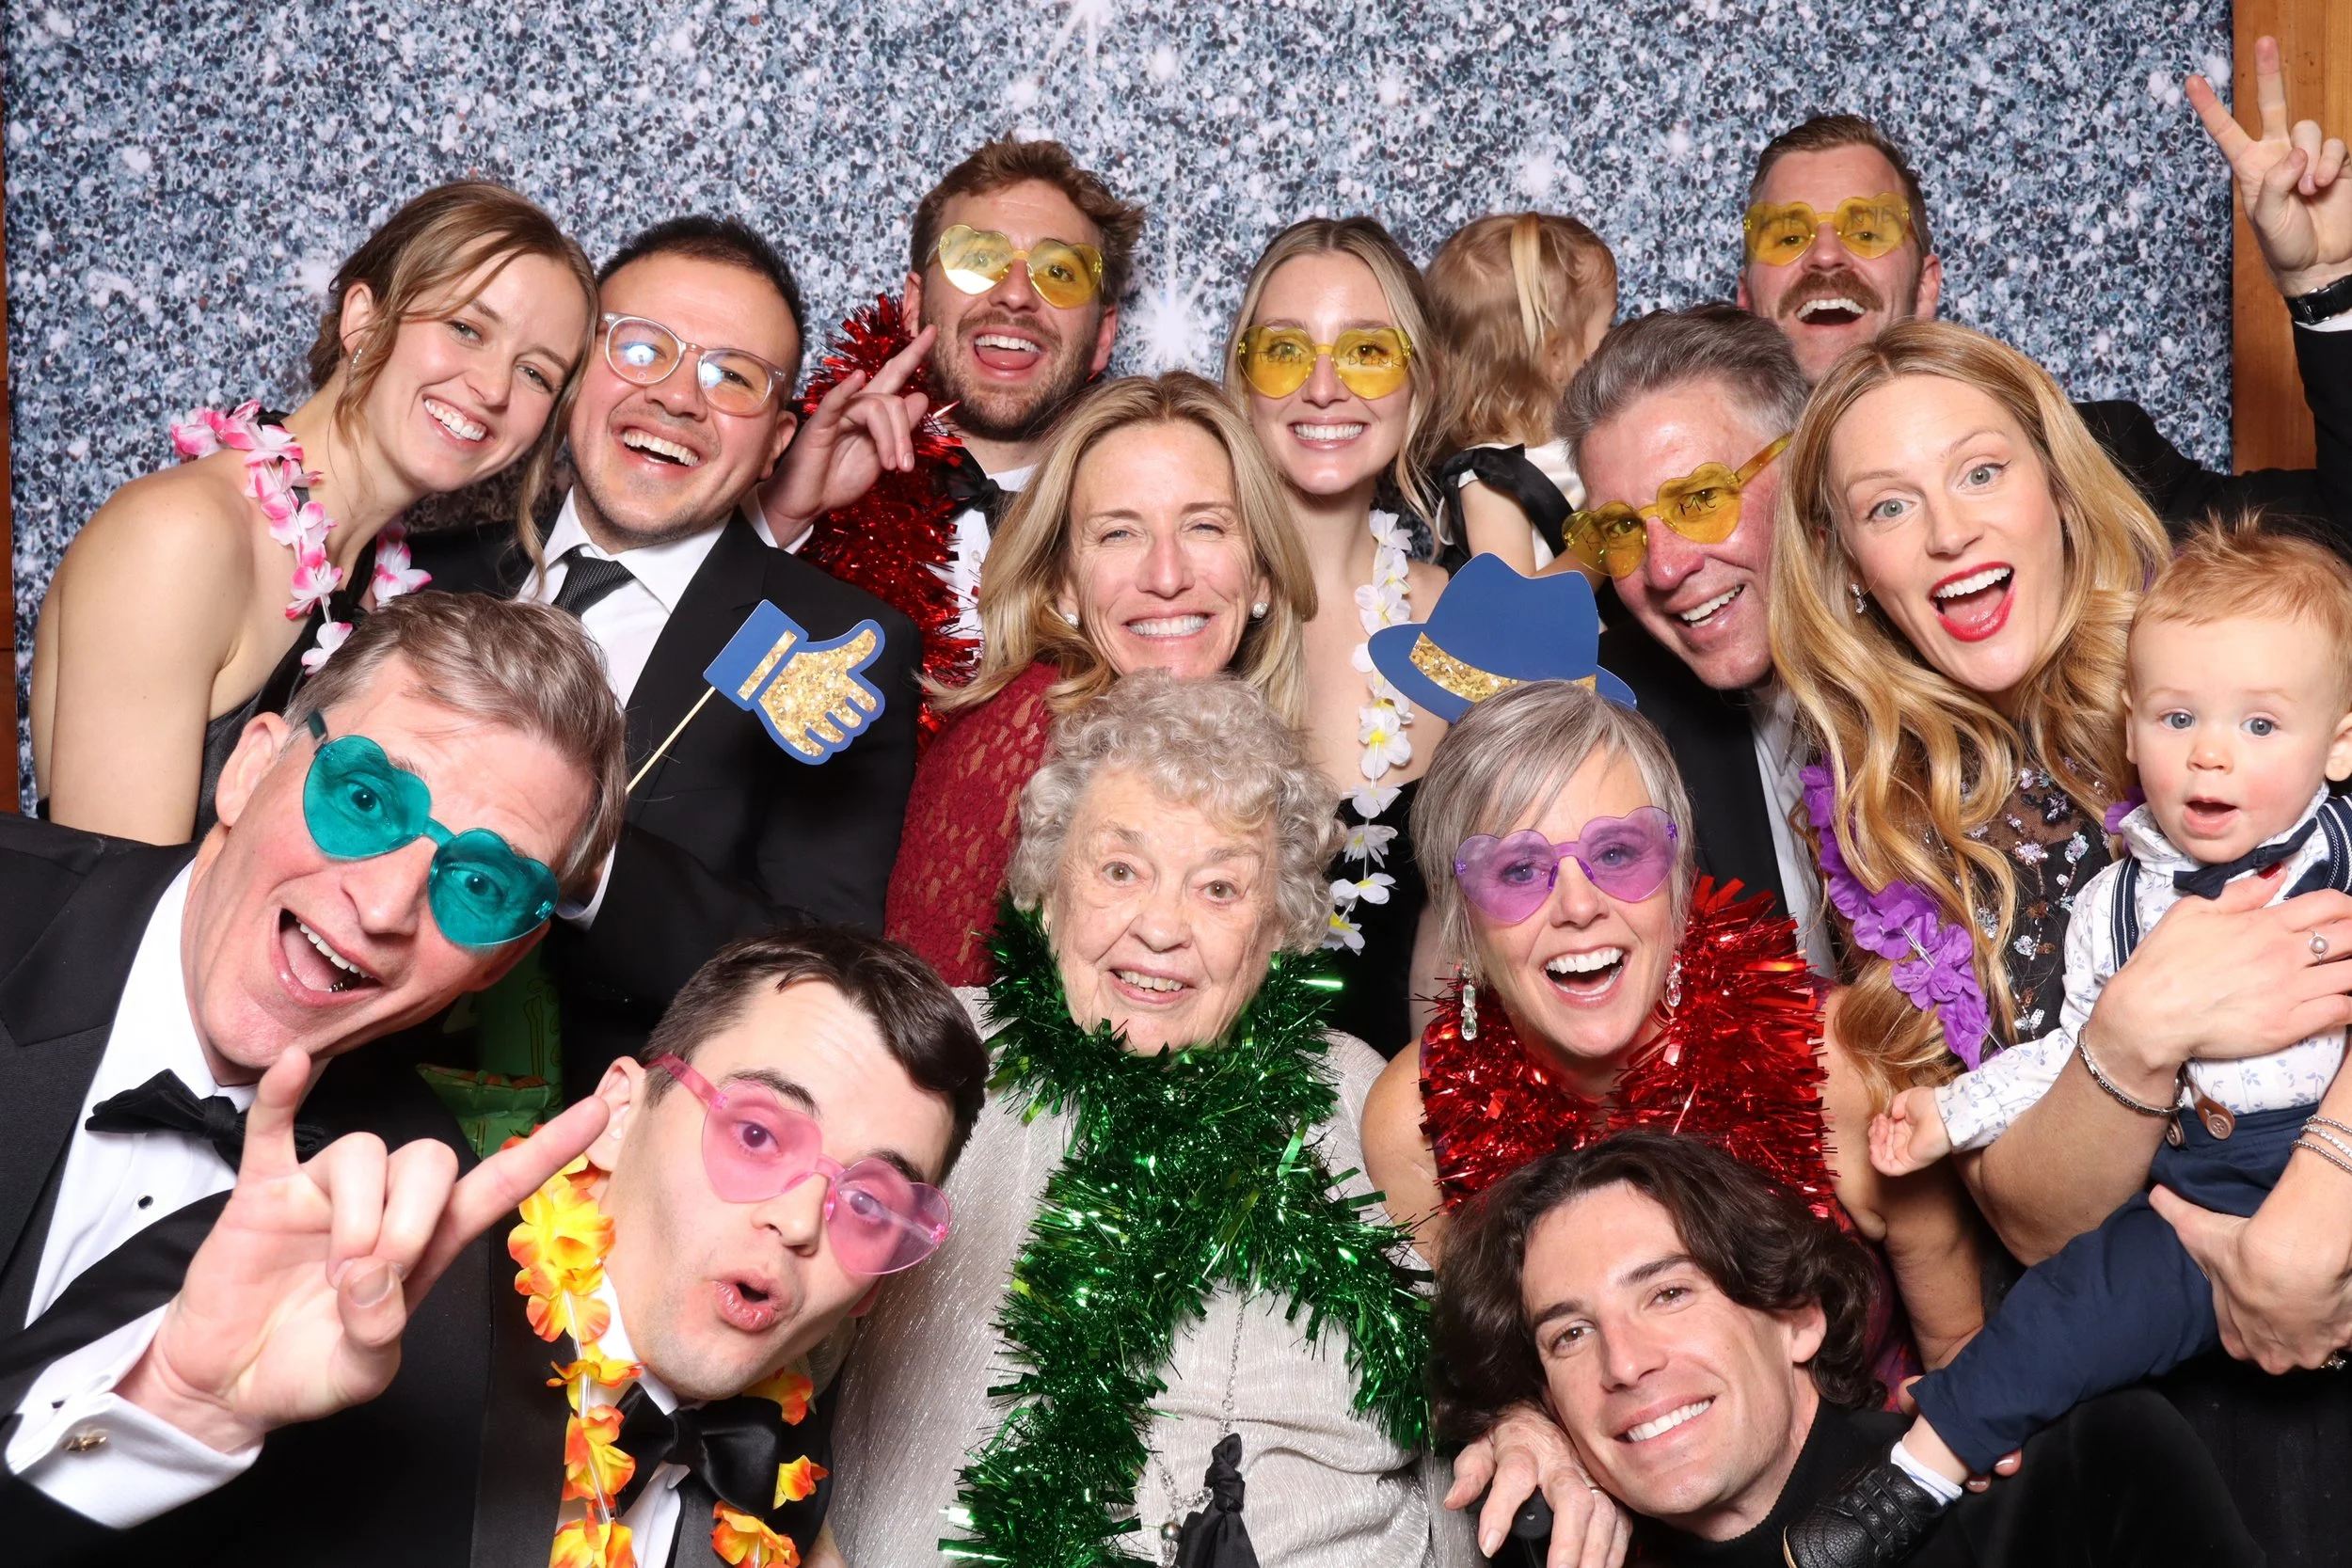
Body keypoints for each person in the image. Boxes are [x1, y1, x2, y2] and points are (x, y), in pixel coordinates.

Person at [1771, 321, 2352, 1563]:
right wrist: (2136, 1030)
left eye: (1981, 471)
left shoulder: (2240, 653)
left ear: (2057, 484)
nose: (1948, 530)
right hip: (2164, 1379)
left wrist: (2319, 1204)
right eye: (1888, 505)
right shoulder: (1889, 829)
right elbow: (2034, 1222)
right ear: (1848, 565)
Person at [3, 919, 989, 1568]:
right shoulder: (339, 1275)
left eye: (870, 1202)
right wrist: (177, 1404)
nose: (803, 1221)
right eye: (760, 1134)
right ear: (620, 1113)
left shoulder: (773, 1470)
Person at [0, 591, 627, 1560]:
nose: (384, 906)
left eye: (479, 883)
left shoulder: (416, 1275)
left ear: (500, 961)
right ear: (251, 767)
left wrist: (172, 1408)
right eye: (366, 800)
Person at [833, 673, 1473, 1566]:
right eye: (1121, 870)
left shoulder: (1364, 1102)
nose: (1163, 927)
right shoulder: (932, 1061)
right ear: (1045, 888)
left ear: (1278, 927)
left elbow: (1477, 1378)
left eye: (1219, 887)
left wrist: (1532, 1425)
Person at [1359, 675, 1982, 1566]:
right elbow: (1468, 1364)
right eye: (1519, 871)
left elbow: (1958, 1353)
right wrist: (1519, 1420)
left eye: (1618, 852)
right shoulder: (1416, 1117)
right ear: (1462, 911)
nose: (1578, 905)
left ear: (1680, 872)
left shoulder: (1832, 1056)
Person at [410, 216, 923, 1093]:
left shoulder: (831, 647)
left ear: (776, 442)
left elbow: (818, 974)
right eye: (641, 349)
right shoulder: (416, 573)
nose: (679, 397)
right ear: (574, 373)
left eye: (733, 376)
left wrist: (580, 853)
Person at [30, 181, 596, 844]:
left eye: (535, 373)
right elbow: (111, 894)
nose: (494, 388)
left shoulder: (377, 584)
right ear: (363, 320)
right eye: (466, 328)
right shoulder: (179, 537)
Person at [1432, 1132, 2265, 1568]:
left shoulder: (2081, 1473)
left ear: (1798, 1315)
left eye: (1670, 1293)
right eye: (1570, 1334)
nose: (1623, 1362)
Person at [1736, 53, 2352, 537]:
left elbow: (2335, 536)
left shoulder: (2089, 461)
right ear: (1746, 299)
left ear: (1926, 287)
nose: (1824, 255)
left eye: (1868, 229)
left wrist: (2323, 287)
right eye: (1786, 235)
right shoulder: (1705, 525)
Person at [882, 371, 1313, 985]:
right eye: (1119, 533)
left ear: (1262, 573)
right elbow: (921, 1010)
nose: (1167, 576)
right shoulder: (1020, 736)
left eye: (1205, 526)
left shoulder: (1257, 744)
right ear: (1065, 585)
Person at [758, 137, 1144, 703]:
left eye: (1060, 271)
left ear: (1103, 336)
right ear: (914, 306)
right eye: (977, 259)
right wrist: (781, 519)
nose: (1016, 295)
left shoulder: (1151, 535)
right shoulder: (770, 473)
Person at [1225, 215, 1454, 1053]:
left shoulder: (1465, 625)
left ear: (1418, 382)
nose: (1324, 388)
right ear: (1242, 381)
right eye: (1286, 350)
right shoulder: (1179, 613)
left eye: (1366, 351)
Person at [1556, 304, 1832, 971]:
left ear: (1806, 471)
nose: (1664, 569)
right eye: (1622, 529)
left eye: (1701, 500)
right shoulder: (1613, 712)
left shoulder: (1953, 655)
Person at [1425, 212, 1617, 574]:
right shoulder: (1488, 483)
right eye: (1609, 326)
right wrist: (1605, 534)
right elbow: (1520, 603)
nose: (1617, 340)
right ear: (1556, 355)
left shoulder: (1585, 438)